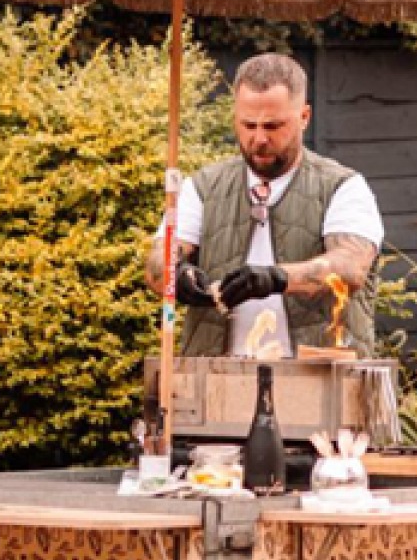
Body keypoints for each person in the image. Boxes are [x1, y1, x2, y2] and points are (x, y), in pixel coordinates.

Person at [146, 52, 382, 357]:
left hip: (318, 380)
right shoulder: (202, 187)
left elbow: (351, 267)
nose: (258, 139)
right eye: (248, 125)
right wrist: (175, 274)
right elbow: (156, 265)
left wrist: (275, 278)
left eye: (272, 126)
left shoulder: (344, 187)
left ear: (304, 117)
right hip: (219, 378)